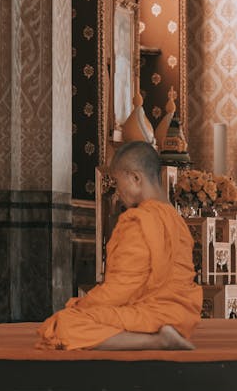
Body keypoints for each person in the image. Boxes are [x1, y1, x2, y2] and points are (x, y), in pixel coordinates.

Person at [37, 141, 202, 350]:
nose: (117, 191)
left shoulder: (139, 221)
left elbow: (122, 288)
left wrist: (81, 306)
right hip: (182, 318)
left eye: (117, 182)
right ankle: (162, 335)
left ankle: (156, 341)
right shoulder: (176, 221)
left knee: (64, 324)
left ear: (135, 178)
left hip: (151, 316)